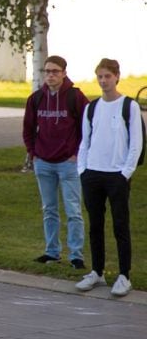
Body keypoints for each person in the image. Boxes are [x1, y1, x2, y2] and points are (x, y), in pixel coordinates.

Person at [75, 58, 142, 297]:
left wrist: (125, 173)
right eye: (100, 77)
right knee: (95, 226)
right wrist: (82, 169)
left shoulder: (129, 106)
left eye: (107, 76)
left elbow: (136, 144)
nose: (104, 81)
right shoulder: (92, 108)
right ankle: (97, 271)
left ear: (117, 77)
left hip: (117, 175)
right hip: (92, 173)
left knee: (120, 225)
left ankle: (124, 275)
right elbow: (85, 140)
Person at [22, 56, 89, 269]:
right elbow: (28, 129)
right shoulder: (36, 99)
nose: (50, 75)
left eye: (55, 71)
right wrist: (34, 153)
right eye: (47, 71)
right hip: (44, 162)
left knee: (73, 211)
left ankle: (76, 255)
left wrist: (77, 153)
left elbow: (87, 128)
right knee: (49, 209)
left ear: (64, 73)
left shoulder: (75, 97)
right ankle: (52, 252)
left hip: (68, 163)